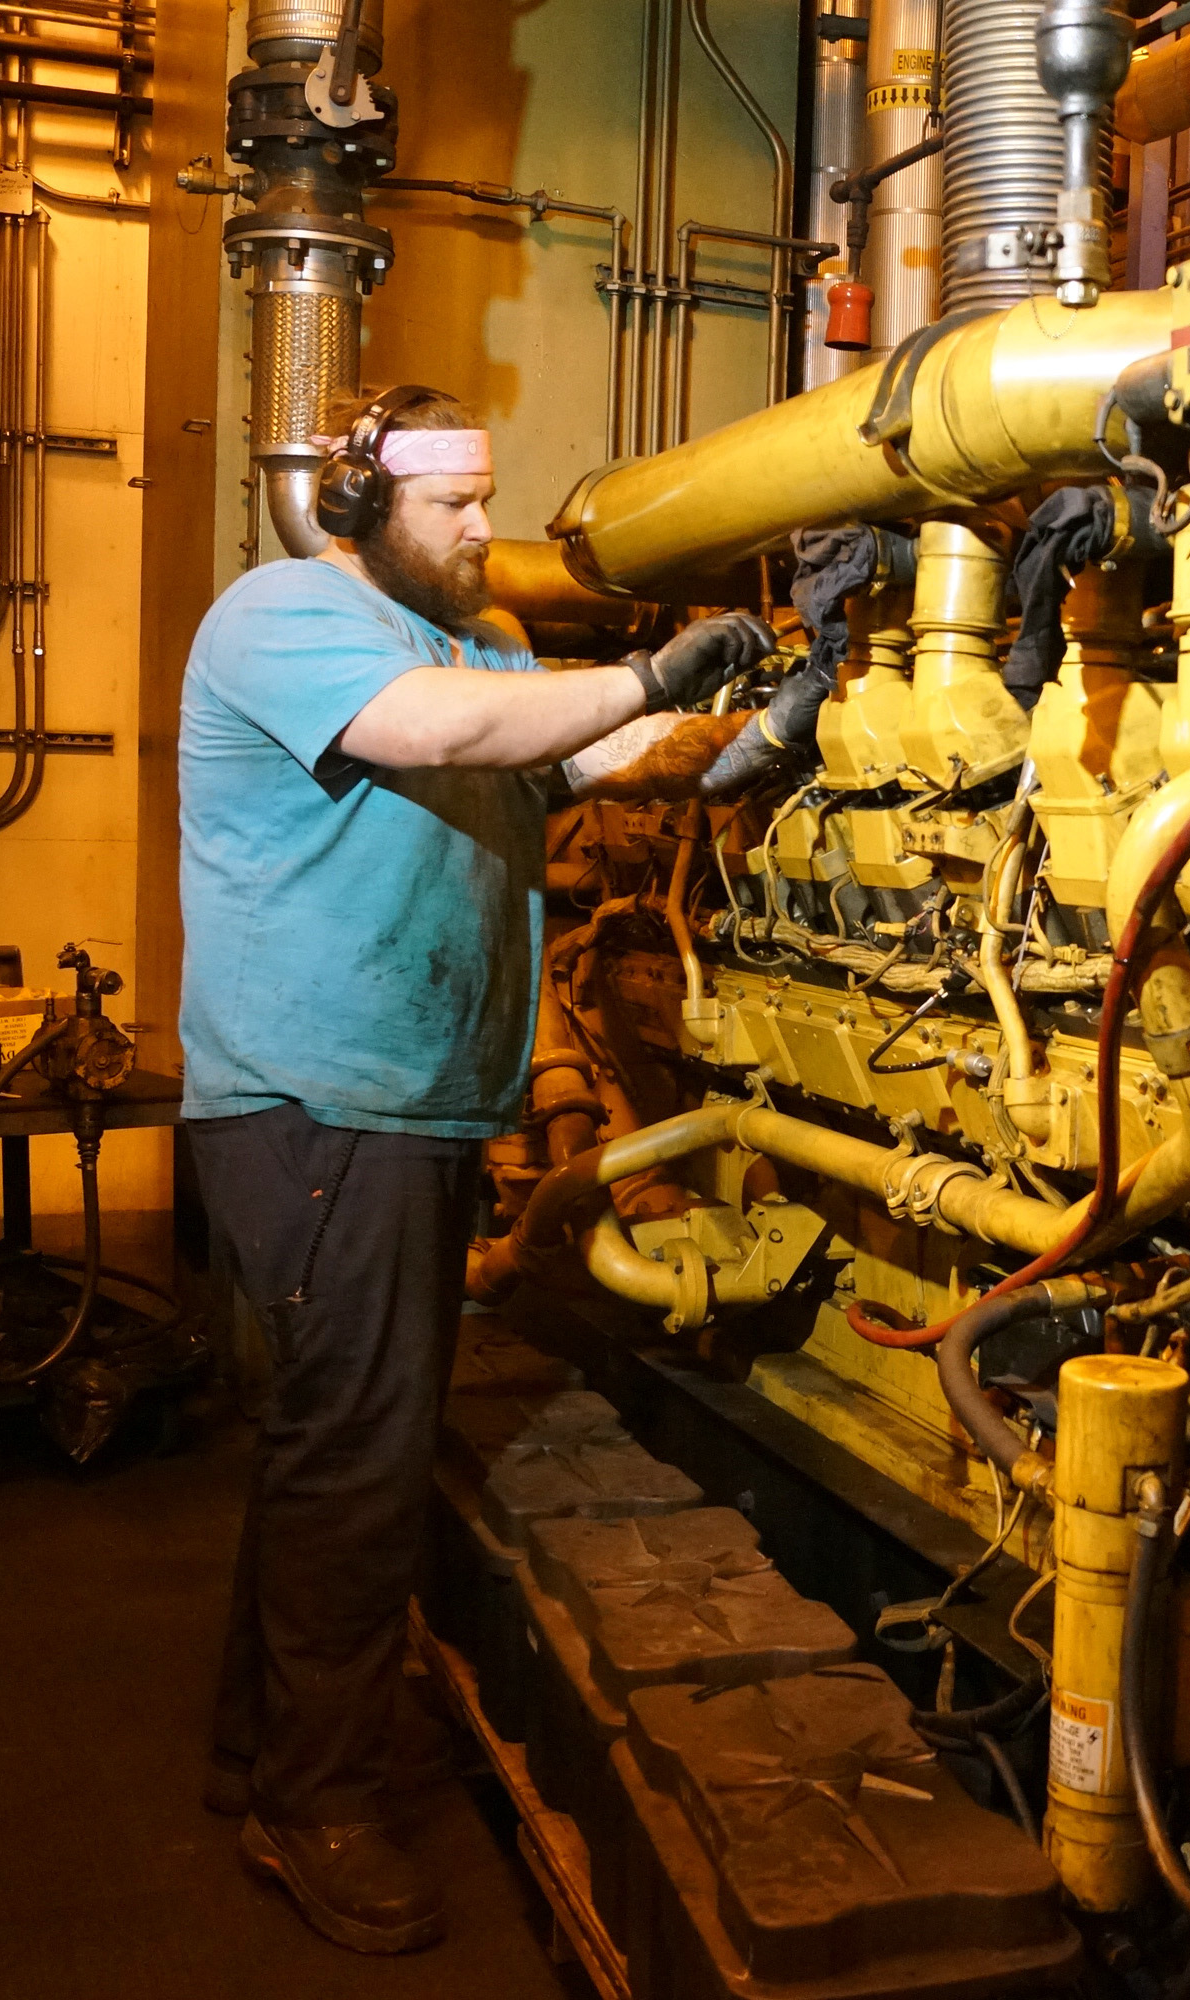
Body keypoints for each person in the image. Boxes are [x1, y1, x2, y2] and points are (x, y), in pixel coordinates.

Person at [174, 384, 825, 1954]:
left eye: (487, 497)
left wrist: (752, 732)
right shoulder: (282, 618)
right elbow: (445, 735)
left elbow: (583, 763)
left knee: (337, 1435)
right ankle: (316, 1801)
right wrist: (652, 665)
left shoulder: (490, 652)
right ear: (353, 503)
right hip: (317, 1101)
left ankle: (254, 1748)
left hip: (416, 1104)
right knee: (359, 1458)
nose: (484, 527)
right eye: (451, 504)